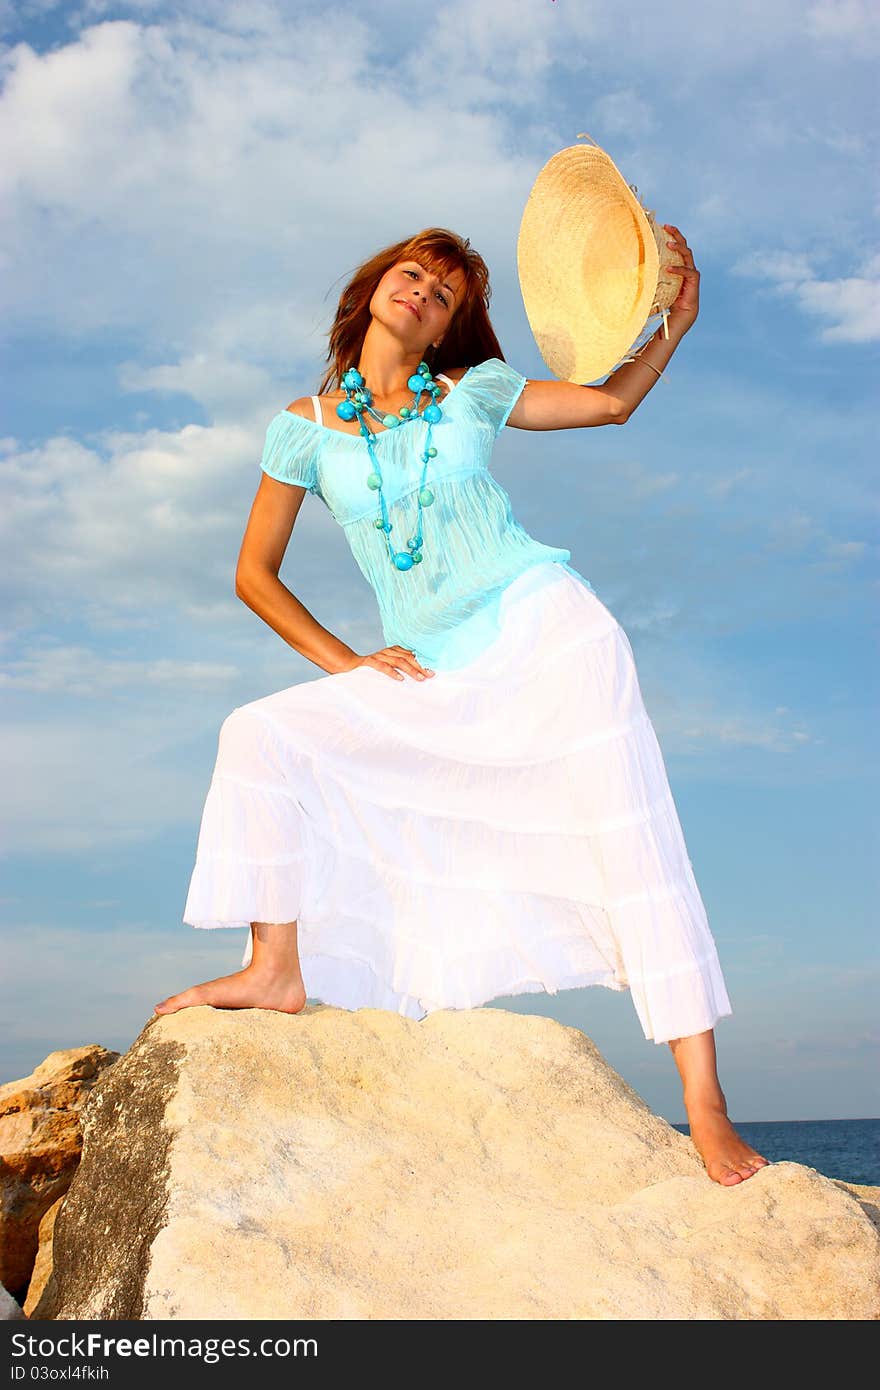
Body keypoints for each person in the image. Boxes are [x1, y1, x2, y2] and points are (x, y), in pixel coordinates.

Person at [154, 226, 769, 1188]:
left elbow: (608, 403)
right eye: (413, 276)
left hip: (546, 630)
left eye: (445, 295)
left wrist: (674, 325)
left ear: (451, 329)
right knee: (260, 734)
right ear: (370, 291)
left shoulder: (473, 393)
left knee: (630, 838)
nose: (425, 296)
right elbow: (253, 575)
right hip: (430, 665)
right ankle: (275, 969)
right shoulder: (303, 428)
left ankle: (705, 1103)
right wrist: (350, 664)